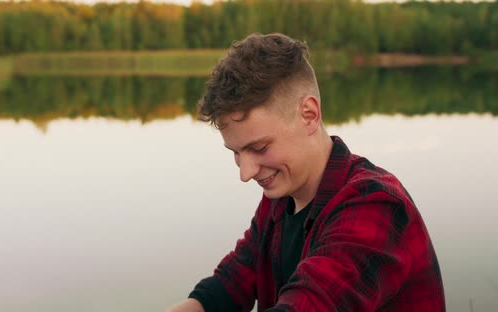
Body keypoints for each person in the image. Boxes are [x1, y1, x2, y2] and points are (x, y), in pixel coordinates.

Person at [167, 33, 445, 312]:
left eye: (260, 147)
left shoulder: (374, 204)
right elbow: (230, 284)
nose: (246, 173)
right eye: (236, 153)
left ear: (309, 114)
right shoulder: (281, 196)